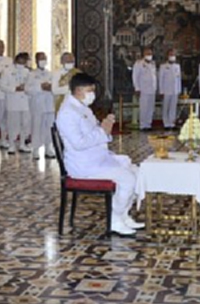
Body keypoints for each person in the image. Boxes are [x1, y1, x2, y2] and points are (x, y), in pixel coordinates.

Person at [55, 73, 145, 236]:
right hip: (84, 165)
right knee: (128, 179)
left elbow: (94, 131)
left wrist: (105, 127)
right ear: (79, 90)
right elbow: (78, 143)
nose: (93, 94)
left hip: (96, 158)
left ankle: (123, 215)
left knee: (136, 172)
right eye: (90, 91)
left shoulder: (82, 108)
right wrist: (102, 132)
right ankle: (114, 219)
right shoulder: (68, 112)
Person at [0, 53, 33, 153]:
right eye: (20, 61)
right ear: (15, 61)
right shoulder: (7, 71)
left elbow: (31, 85)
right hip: (13, 102)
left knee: (25, 123)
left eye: (24, 61)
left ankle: (22, 144)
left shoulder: (28, 72)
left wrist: (26, 88)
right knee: (12, 124)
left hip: (25, 102)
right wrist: (14, 88)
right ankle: (11, 145)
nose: (22, 63)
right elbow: (3, 86)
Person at [28, 51, 56, 160]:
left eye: (44, 58)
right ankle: (35, 149)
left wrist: (50, 87)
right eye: (41, 59)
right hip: (37, 104)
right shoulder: (31, 74)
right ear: (36, 61)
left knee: (49, 127)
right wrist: (40, 87)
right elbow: (27, 89)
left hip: (49, 104)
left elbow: (56, 88)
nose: (43, 61)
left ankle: (49, 148)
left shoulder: (50, 74)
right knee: (37, 127)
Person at [132, 48, 158, 131]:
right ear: (144, 54)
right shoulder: (139, 64)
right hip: (143, 89)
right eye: (147, 53)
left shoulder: (153, 64)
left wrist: (156, 88)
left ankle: (148, 124)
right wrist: (137, 88)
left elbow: (154, 77)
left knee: (150, 108)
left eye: (150, 53)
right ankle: (143, 125)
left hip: (152, 89)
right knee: (144, 108)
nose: (149, 55)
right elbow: (135, 76)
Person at [158, 49, 181, 130]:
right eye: (170, 55)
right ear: (167, 56)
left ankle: (172, 123)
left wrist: (179, 90)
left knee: (173, 107)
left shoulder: (177, 66)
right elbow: (161, 79)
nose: (172, 56)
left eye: (173, 55)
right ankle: (166, 124)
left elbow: (178, 79)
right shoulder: (163, 66)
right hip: (166, 90)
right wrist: (161, 91)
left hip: (175, 90)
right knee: (166, 107)